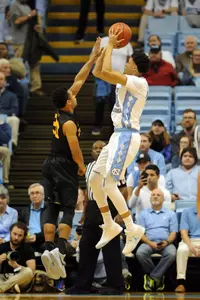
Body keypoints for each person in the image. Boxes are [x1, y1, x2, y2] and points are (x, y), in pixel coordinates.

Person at [41, 38, 102, 279]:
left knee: (50, 205)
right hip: (64, 165)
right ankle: (60, 247)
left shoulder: (61, 110)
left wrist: (93, 57)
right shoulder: (68, 123)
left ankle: (47, 247)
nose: (75, 93)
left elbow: (79, 79)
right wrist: (80, 166)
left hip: (49, 164)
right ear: (69, 102)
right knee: (67, 206)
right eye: (72, 95)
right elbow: (75, 150)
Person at [90, 30, 150, 256]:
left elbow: (106, 71)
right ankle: (109, 224)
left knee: (109, 184)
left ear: (135, 67)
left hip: (127, 136)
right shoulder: (126, 80)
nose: (125, 63)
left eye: (129, 61)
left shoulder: (138, 82)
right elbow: (99, 72)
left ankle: (132, 227)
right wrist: (100, 52)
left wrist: (112, 47)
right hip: (117, 136)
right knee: (95, 179)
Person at [65, 140, 124, 295]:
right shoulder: (89, 167)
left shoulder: (115, 165)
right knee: (86, 247)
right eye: (95, 148)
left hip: (109, 206)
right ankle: (83, 285)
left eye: (101, 148)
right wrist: (84, 214)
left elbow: (123, 190)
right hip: (92, 207)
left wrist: (120, 212)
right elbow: (87, 192)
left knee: (111, 248)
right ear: (91, 152)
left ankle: (116, 286)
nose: (98, 150)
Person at [136, 188, 177, 292]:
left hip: (166, 243)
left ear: (163, 199)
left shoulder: (171, 214)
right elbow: (140, 233)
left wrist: (167, 242)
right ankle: (158, 278)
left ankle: (152, 278)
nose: (155, 196)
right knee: (140, 253)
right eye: (153, 195)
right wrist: (150, 243)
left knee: (172, 253)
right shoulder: (143, 214)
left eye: (158, 195)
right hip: (148, 243)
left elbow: (173, 232)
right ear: (150, 199)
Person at [0, 222, 35, 293]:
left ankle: (2, 288)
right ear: (10, 233)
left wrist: (17, 266)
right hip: (3, 277)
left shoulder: (28, 249)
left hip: (19, 278)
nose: (16, 238)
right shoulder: (2, 247)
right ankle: (11, 288)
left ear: (24, 236)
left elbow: (32, 271)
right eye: (14, 234)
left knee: (28, 272)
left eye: (20, 235)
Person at [175, 206, 200, 293]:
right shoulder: (187, 212)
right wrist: (191, 246)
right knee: (182, 250)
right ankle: (181, 283)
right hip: (190, 240)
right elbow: (183, 233)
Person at [18, 183, 48, 253]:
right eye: (32, 193)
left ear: (43, 195)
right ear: (29, 196)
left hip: (44, 241)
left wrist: (37, 237)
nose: (35, 196)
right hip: (28, 241)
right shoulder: (24, 212)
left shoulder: (50, 210)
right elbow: (20, 227)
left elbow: (53, 229)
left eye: (37, 193)